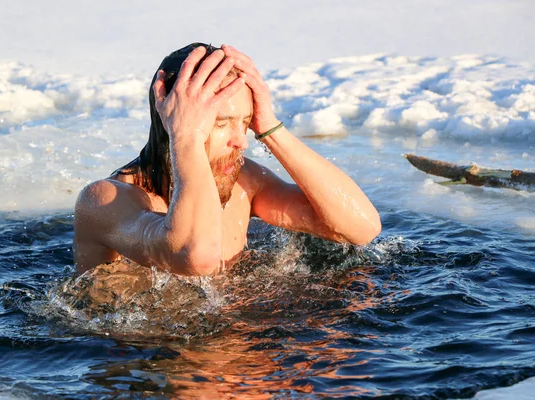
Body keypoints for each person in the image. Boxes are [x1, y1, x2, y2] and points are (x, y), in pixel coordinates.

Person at [73, 43, 381, 276]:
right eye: (221, 124)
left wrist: (271, 128)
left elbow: (360, 228)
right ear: (170, 120)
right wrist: (187, 138)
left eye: (245, 122)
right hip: (147, 353)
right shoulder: (105, 201)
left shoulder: (244, 181)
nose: (241, 141)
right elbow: (195, 257)